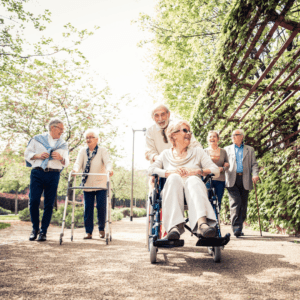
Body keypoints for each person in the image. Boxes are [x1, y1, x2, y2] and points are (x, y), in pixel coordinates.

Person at [148, 120, 220, 240]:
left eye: (189, 131)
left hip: (195, 190)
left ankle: (202, 224)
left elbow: (215, 170)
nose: (189, 133)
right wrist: (169, 172)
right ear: (173, 135)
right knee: (174, 178)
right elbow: (151, 169)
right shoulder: (165, 154)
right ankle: (173, 227)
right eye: (185, 130)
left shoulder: (198, 152)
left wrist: (197, 171)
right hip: (173, 191)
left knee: (192, 180)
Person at [25, 118, 69, 242]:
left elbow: (67, 162)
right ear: (53, 128)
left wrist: (61, 158)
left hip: (53, 174)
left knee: (49, 204)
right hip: (37, 173)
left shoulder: (63, 144)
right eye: (60, 128)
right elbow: (27, 154)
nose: (62, 131)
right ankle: (35, 229)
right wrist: (38, 156)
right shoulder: (37, 139)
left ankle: (43, 232)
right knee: (33, 201)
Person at [72, 129, 113, 240]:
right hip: (88, 184)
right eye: (87, 137)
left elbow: (108, 162)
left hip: (100, 184)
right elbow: (78, 163)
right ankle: (88, 232)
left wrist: (109, 170)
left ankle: (101, 229)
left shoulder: (102, 150)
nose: (88, 139)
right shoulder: (82, 151)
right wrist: (75, 170)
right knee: (88, 208)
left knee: (101, 207)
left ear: (97, 139)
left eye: (91, 137)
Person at [224, 129, 259, 237]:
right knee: (236, 202)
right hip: (231, 178)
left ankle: (240, 226)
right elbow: (223, 162)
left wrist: (255, 174)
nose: (233, 137)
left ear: (242, 136)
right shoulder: (227, 149)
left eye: (236, 135)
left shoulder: (250, 149)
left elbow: (254, 164)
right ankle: (236, 228)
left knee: (243, 204)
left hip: (245, 179)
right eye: (232, 135)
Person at [204, 130, 230, 209]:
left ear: (218, 139)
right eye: (210, 137)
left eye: (214, 136)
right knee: (208, 201)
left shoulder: (223, 151)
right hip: (208, 180)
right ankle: (211, 219)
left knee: (219, 201)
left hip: (220, 179)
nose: (212, 138)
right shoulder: (204, 152)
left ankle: (217, 219)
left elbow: (227, 165)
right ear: (208, 139)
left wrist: (222, 168)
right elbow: (201, 165)